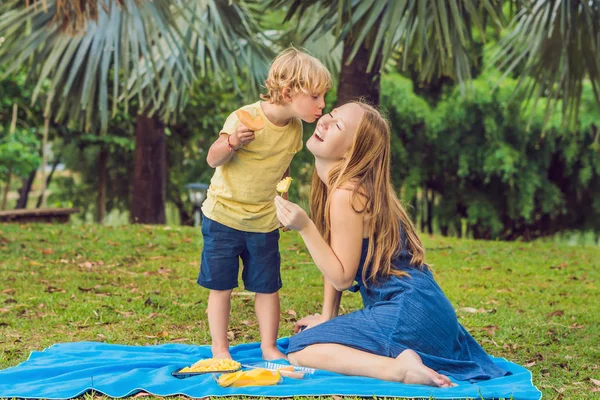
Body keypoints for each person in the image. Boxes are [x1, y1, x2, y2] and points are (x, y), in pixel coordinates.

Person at [274, 101, 509, 386]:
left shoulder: (346, 194)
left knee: (300, 351)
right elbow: (336, 254)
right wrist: (327, 317)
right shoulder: (347, 188)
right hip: (428, 310)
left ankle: (400, 369)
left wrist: (304, 227)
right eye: (331, 115)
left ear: (352, 151)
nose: (324, 121)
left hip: (408, 312)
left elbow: (342, 277)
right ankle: (403, 361)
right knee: (308, 343)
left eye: (337, 125)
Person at [199, 48, 331, 361]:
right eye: (315, 96)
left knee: (267, 286)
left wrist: (282, 201)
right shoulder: (244, 118)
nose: (322, 105)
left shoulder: (296, 129)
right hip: (223, 218)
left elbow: (282, 166)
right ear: (287, 92)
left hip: (263, 222)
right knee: (221, 286)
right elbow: (212, 158)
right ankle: (220, 350)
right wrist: (233, 142)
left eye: (324, 96)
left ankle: (269, 348)